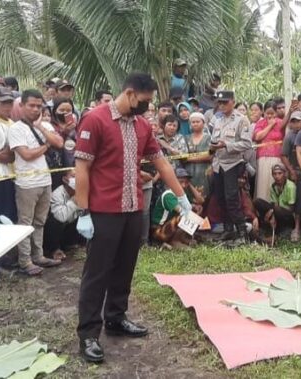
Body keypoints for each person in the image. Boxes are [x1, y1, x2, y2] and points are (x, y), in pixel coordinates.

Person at [74, 73, 192, 364]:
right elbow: (82, 168)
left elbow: (160, 161)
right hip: (104, 210)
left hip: (132, 208)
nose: (148, 107)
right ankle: (88, 334)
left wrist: (181, 197)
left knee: (125, 266)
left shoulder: (142, 126)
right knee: (97, 272)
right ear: (129, 94)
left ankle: (116, 317)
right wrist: (83, 211)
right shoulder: (95, 119)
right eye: (145, 101)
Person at [8, 90, 65, 275]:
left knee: (40, 221)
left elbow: (59, 142)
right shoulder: (16, 128)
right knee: (25, 222)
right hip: (26, 183)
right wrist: (45, 146)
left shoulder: (45, 124)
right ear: (22, 106)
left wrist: (41, 127)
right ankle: (25, 261)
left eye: (39, 106)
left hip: (44, 180)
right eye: (31, 105)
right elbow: (26, 154)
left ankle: (38, 256)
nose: (35, 109)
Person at [208, 90, 252, 246]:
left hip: (232, 164)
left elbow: (247, 144)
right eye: (219, 103)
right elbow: (213, 140)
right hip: (218, 164)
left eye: (225, 102)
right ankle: (228, 230)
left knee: (232, 198)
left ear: (233, 102)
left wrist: (227, 144)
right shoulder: (217, 119)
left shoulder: (241, 120)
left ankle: (242, 232)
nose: (222, 105)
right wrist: (212, 148)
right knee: (220, 197)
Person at [151, 168, 203, 249]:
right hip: (159, 230)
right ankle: (174, 241)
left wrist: (190, 185)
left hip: (168, 227)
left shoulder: (181, 194)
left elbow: (200, 200)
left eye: (186, 182)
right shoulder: (168, 195)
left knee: (198, 209)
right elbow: (181, 211)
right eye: (181, 182)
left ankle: (181, 238)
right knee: (185, 216)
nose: (184, 185)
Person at [43, 169, 81, 261]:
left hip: (71, 227)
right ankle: (54, 249)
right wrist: (74, 200)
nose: (77, 179)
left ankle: (71, 243)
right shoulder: (57, 194)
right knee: (55, 221)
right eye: (73, 176)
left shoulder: (84, 190)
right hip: (56, 230)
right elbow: (60, 217)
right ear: (65, 179)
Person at [253, 164, 296, 239]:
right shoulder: (273, 186)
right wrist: (272, 214)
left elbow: (291, 208)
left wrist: (273, 212)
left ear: (285, 174)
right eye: (274, 174)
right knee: (257, 201)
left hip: (289, 216)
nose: (277, 176)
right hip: (277, 211)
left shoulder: (290, 186)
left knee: (277, 209)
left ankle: (285, 229)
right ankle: (266, 226)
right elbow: (274, 204)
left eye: (280, 173)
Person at [253, 101, 284, 201]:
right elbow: (257, 137)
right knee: (262, 183)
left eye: (272, 113)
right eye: (267, 113)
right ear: (264, 113)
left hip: (277, 157)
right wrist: (270, 125)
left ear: (276, 113)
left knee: (274, 181)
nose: (270, 115)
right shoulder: (261, 123)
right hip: (263, 157)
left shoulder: (281, 123)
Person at [281, 111, 301, 240]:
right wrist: (291, 170)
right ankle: (296, 227)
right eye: (293, 121)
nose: (296, 124)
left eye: (298, 121)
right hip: (296, 172)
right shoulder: (289, 136)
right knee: (296, 200)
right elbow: (283, 155)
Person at [0, 87, 17, 223]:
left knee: (6, 218)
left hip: (7, 176)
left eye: (10, 103)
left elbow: (11, 155)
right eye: (3, 103)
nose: (8, 107)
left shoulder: (12, 125)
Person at [184, 112, 211, 198]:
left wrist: (188, 158)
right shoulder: (185, 138)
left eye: (197, 122)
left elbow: (210, 155)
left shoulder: (208, 138)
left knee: (204, 198)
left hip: (204, 173)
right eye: (193, 122)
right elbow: (182, 154)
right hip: (189, 173)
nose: (195, 124)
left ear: (203, 123)